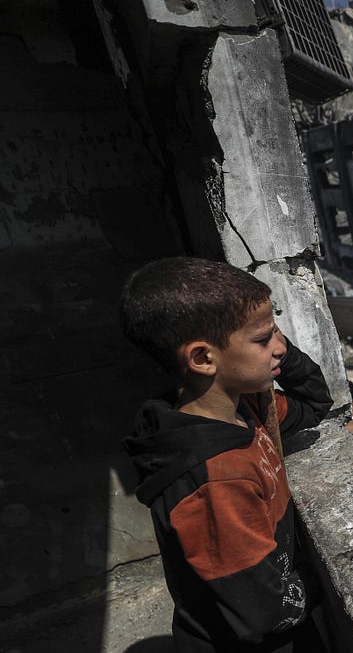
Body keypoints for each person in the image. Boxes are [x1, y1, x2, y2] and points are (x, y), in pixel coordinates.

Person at [120, 257, 333, 653]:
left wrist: (274, 346)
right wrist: (319, 579)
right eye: (263, 339)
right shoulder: (217, 479)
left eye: (276, 331)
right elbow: (264, 612)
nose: (280, 347)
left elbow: (315, 404)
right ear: (203, 358)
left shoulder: (248, 408)